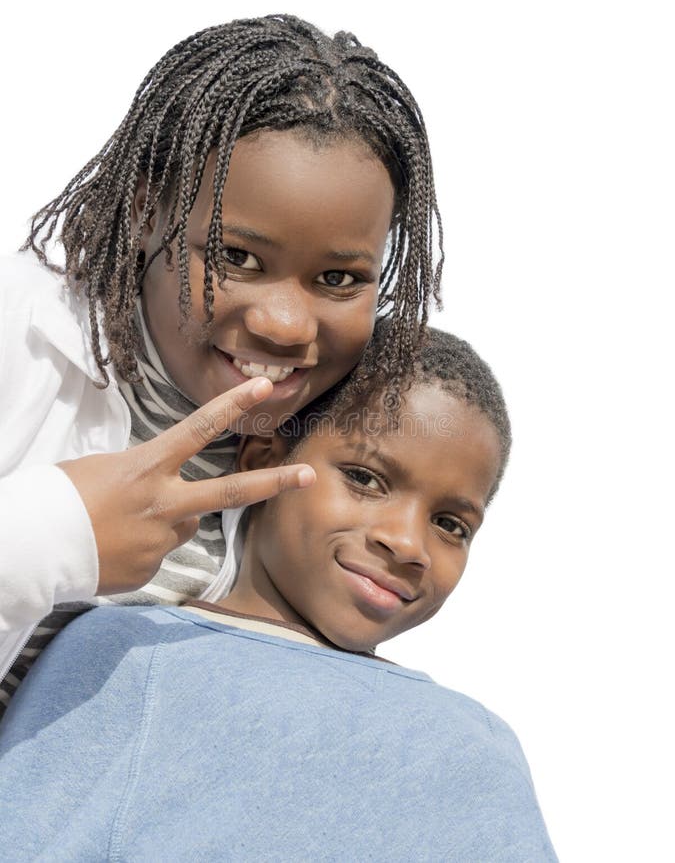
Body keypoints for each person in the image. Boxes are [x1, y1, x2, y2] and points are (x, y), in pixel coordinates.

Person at [0, 14, 443, 712]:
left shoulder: (320, 456)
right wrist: (58, 531)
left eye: (337, 280)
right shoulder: (15, 332)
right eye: (236, 257)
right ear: (148, 212)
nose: (285, 324)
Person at [0, 324, 558, 861]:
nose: (409, 543)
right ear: (264, 455)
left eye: (451, 524)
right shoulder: (119, 657)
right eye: (365, 478)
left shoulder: (474, 751)